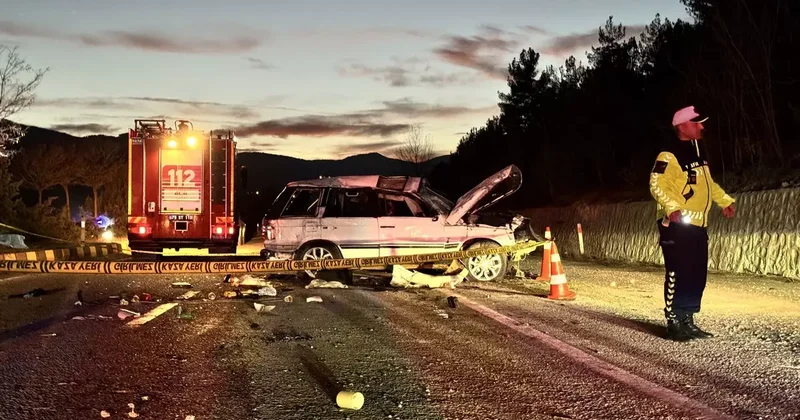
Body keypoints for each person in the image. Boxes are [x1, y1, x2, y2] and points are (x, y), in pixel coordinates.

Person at [649, 105, 736, 342]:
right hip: (676, 224)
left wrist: (724, 201)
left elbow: (708, 186)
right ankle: (674, 321)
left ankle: (687, 318)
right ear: (682, 126)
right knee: (679, 272)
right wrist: (672, 207)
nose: (702, 127)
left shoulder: (699, 154)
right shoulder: (668, 154)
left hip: (698, 224)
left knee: (696, 273)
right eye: (697, 123)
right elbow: (657, 184)